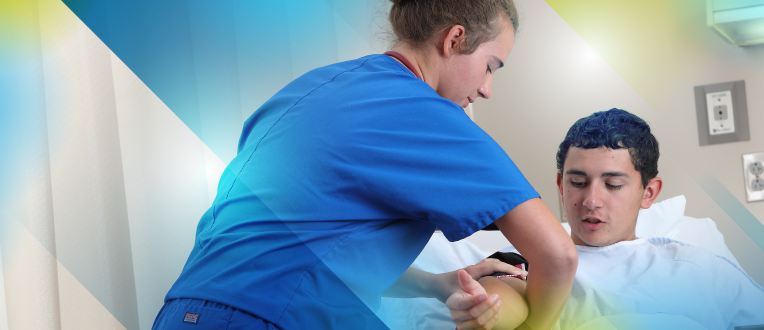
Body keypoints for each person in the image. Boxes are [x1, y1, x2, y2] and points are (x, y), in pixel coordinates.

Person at [152, 1, 577, 329]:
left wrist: (438, 282)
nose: (487, 89)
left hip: (180, 312)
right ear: (454, 39)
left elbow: (308, 249)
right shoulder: (427, 114)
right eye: (490, 66)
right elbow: (558, 257)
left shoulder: (304, 91)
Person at [445, 109, 764, 330]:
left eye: (613, 184)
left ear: (649, 193)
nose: (591, 200)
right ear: (560, 185)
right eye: (577, 182)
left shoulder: (701, 268)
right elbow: (502, 296)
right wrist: (485, 314)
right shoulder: (532, 256)